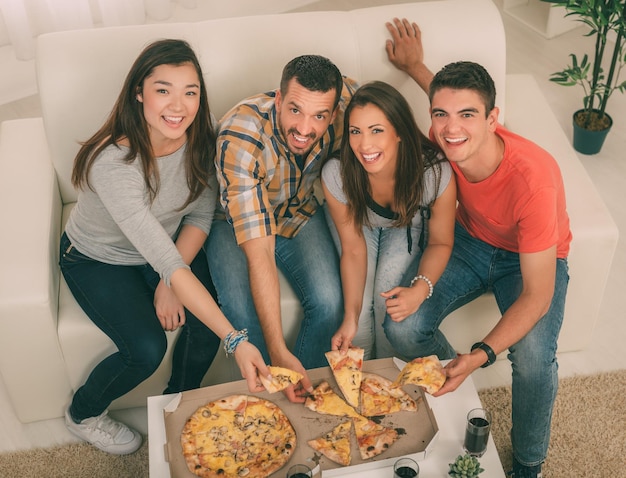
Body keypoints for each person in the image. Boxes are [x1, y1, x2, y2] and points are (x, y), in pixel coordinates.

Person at [60, 39, 268, 455]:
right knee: (145, 348)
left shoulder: (200, 136)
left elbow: (198, 215)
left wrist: (169, 280)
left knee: (206, 324)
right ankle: (83, 413)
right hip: (98, 258)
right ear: (139, 93)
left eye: (190, 92)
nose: (179, 106)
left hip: (165, 251)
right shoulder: (114, 164)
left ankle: (176, 404)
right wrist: (237, 340)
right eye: (163, 90)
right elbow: (167, 261)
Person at [385, 19, 571, 478]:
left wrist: (482, 352)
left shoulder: (535, 180)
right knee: (404, 330)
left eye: (468, 116)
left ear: (493, 119)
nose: (451, 129)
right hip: (466, 242)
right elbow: (451, 106)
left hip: (526, 260)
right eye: (440, 116)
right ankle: (461, 387)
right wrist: (414, 66)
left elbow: (538, 295)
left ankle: (528, 465)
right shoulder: (447, 134)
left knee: (531, 358)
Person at [205, 55, 358, 402]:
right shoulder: (241, 137)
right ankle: (270, 399)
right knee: (244, 318)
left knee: (330, 302)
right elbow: (260, 253)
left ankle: (300, 389)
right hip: (231, 223)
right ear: (278, 98)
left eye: (319, 116)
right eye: (295, 111)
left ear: (334, 114)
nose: (305, 129)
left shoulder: (348, 101)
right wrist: (277, 351)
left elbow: (392, 122)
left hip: (297, 208)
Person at [321, 81, 456, 360]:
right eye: (355, 132)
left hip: (405, 226)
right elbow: (354, 250)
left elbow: (441, 242)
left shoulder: (434, 172)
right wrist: (350, 316)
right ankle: (364, 390)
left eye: (377, 131)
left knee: (389, 307)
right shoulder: (337, 173)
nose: (364, 145)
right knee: (357, 329)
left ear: (399, 133)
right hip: (358, 226)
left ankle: (387, 389)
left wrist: (420, 289)